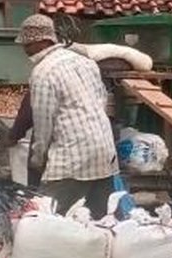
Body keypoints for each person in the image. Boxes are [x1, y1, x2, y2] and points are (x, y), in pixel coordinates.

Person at [18, 14, 119, 218]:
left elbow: (43, 124)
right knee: (99, 221)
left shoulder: (43, 72)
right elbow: (101, 100)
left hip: (72, 158)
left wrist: (38, 159)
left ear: (42, 42)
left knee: (45, 219)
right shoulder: (85, 62)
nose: (25, 50)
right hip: (104, 151)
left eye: (27, 45)